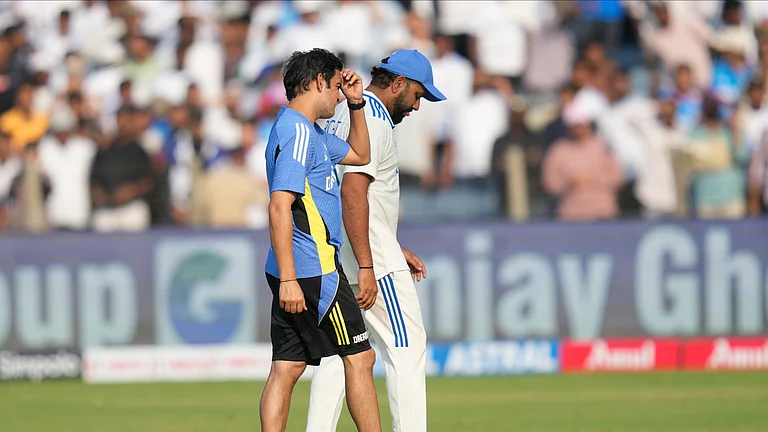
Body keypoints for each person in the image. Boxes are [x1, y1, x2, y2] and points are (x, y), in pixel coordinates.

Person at [308, 49, 446, 432]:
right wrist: (371, 262)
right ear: (398, 83)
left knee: (343, 354)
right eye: (417, 95)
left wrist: (389, 242)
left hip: (340, 252)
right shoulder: (373, 118)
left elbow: (339, 193)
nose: (417, 107)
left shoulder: (343, 113)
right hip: (371, 261)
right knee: (406, 349)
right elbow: (353, 192)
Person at [260, 48, 380, 432]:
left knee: (288, 365)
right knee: (361, 359)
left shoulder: (308, 131)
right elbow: (280, 207)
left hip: (291, 268)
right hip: (315, 270)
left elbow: (361, 154)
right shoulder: (297, 132)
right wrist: (292, 279)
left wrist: (358, 104)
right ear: (316, 83)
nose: (338, 96)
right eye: (335, 88)